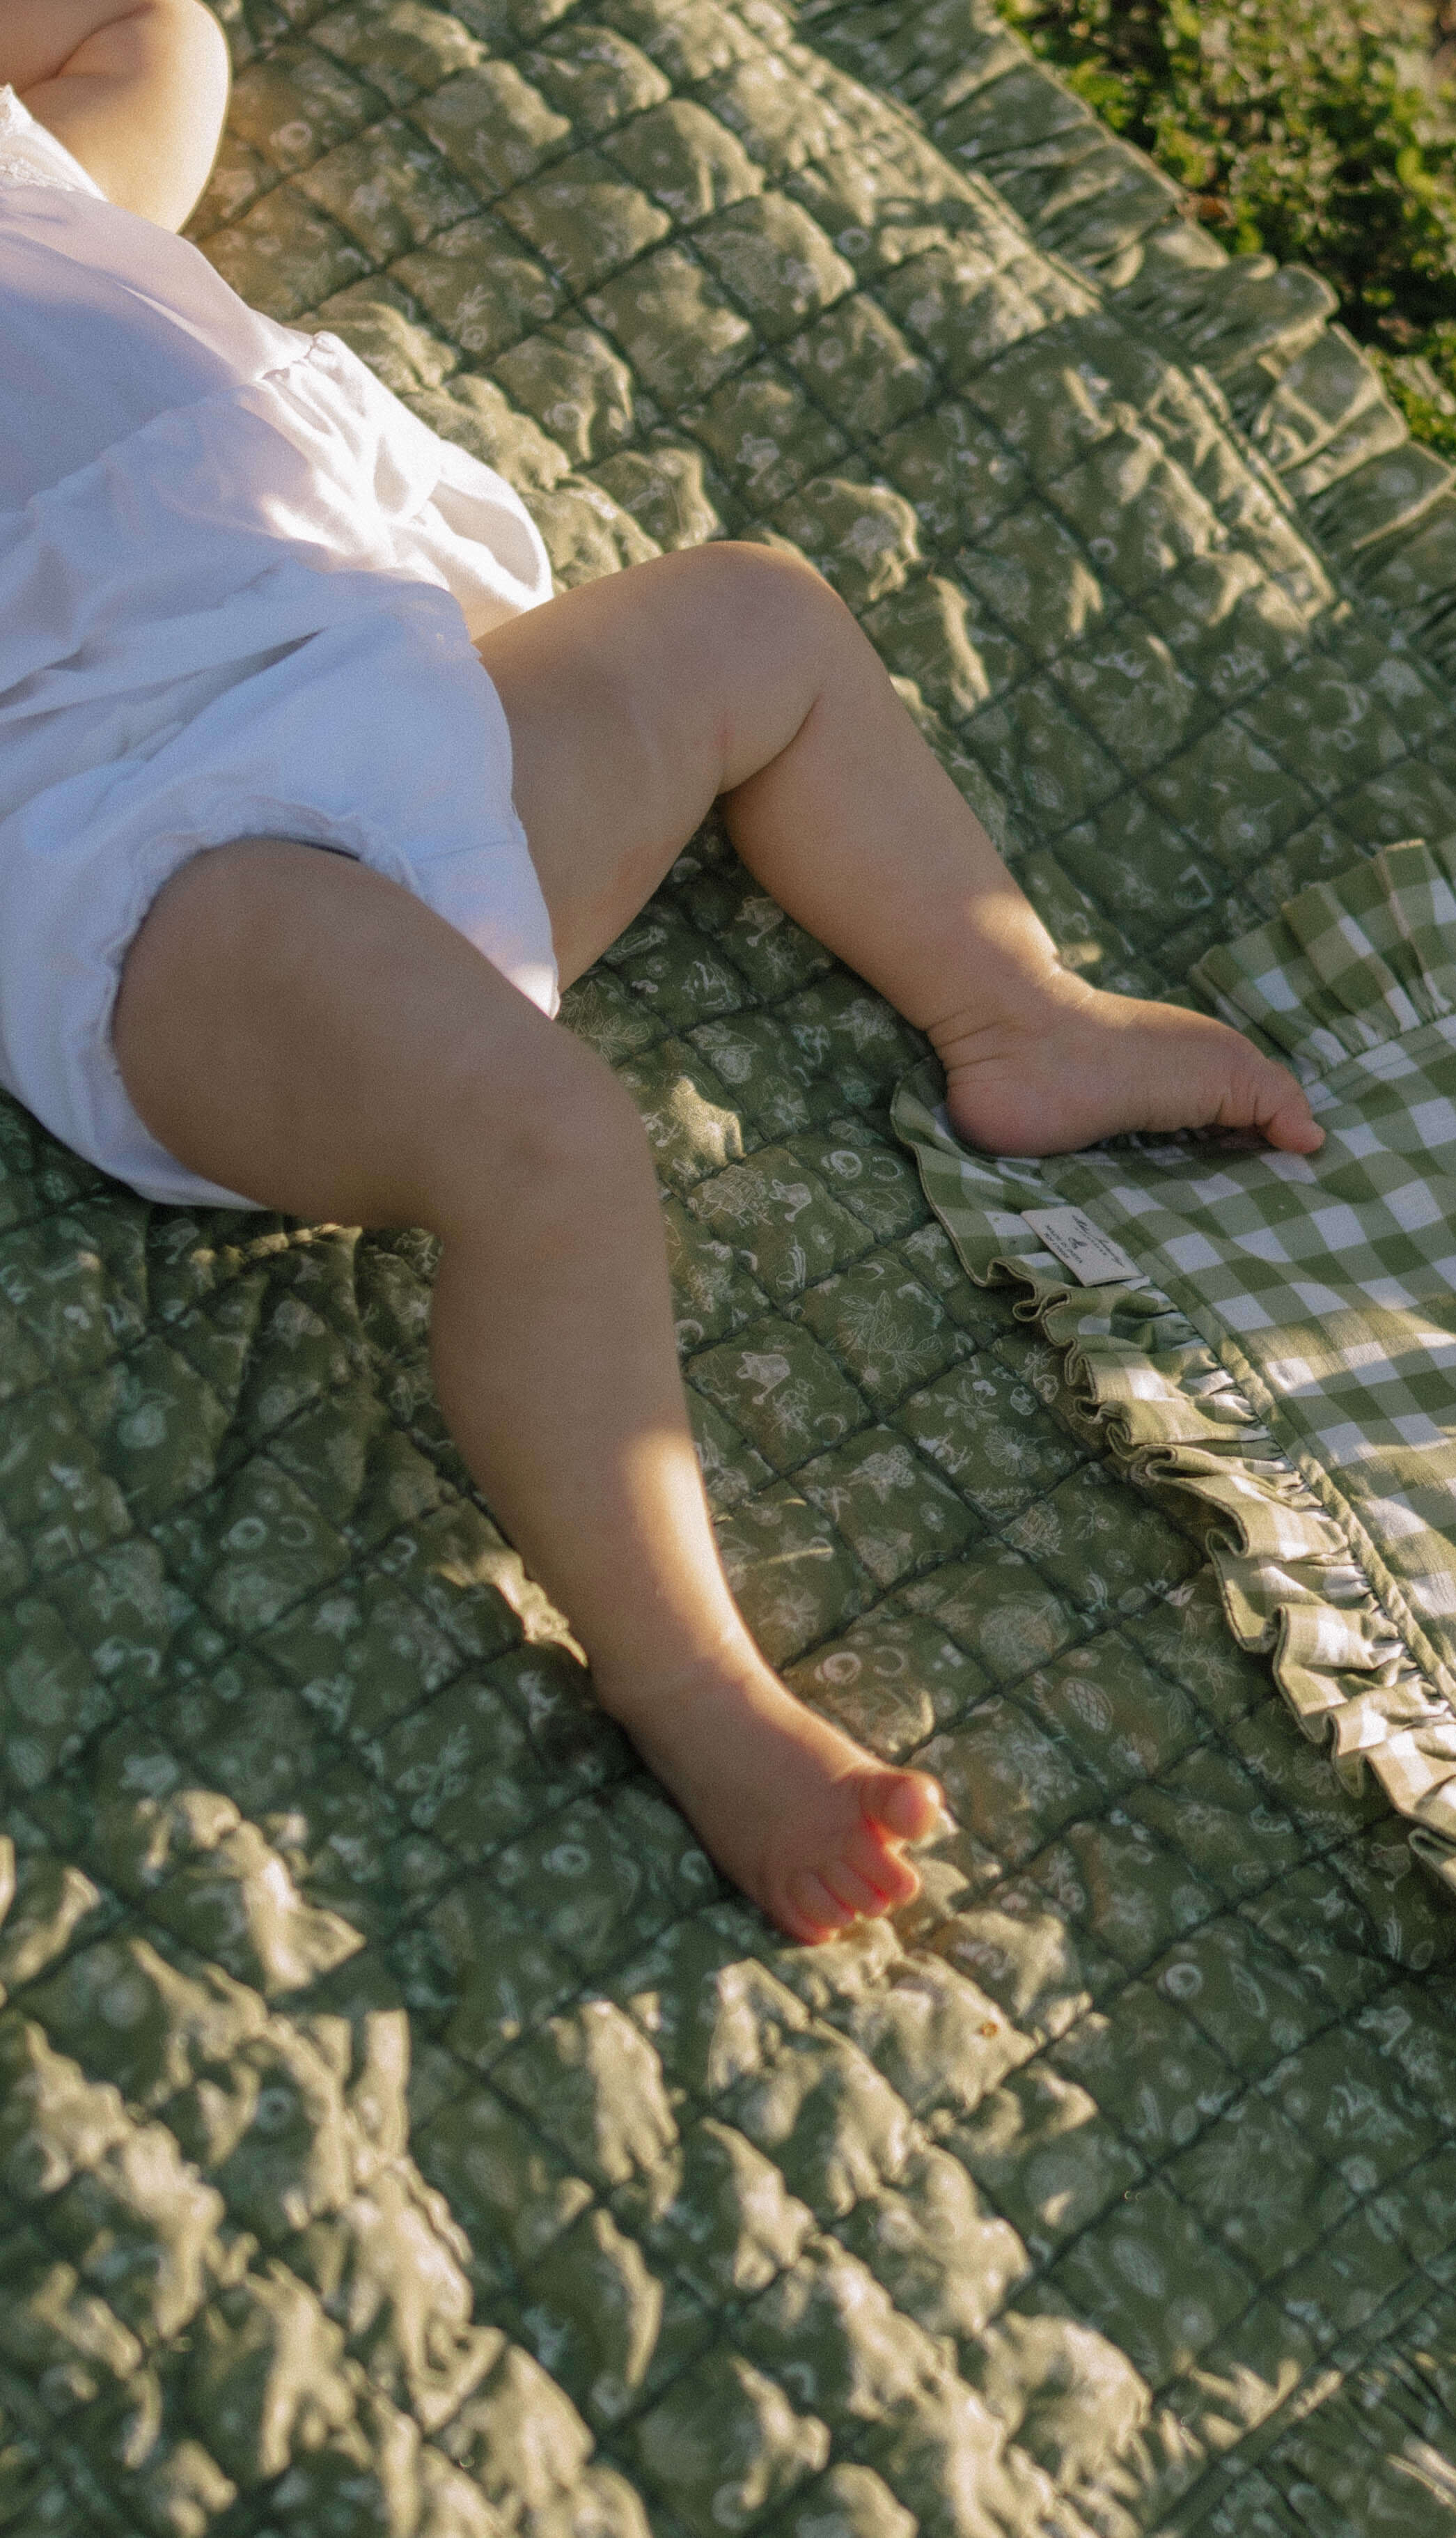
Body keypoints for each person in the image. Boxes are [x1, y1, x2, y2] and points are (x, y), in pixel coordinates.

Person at [0, 0, 1324, 1945]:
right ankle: (692, 1681)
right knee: (549, 1143)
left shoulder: (35, 167)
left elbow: (146, 34)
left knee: (756, 618)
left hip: (398, 690)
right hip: (151, 849)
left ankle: (1016, 1010)